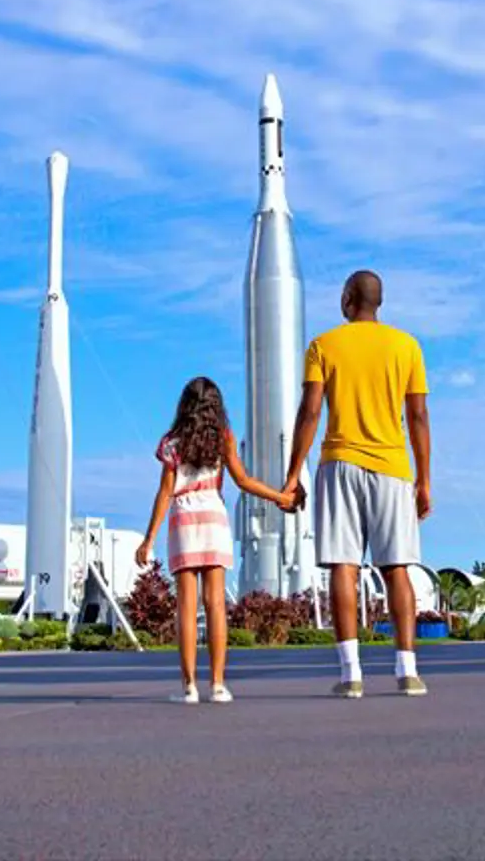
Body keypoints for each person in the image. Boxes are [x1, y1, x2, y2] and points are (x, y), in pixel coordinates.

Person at [280, 269, 431, 699]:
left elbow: (309, 413)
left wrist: (293, 474)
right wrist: (424, 480)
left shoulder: (323, 345)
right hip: (393, 466)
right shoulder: (407, 346)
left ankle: (351, 675)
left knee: (343, 567)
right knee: (397, 567)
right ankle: (408, 671)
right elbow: (418, 416)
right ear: (378, 302)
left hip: (340, 462)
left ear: (348, 298)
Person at [136, 376, 294, 704]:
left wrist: (148, 539)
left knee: (186, 606)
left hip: (184, 520)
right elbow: (243, 480)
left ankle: (189, 686)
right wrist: (278, 496)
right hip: (214, 518)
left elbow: (165, 492)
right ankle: (218, 685)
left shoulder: (171, 443)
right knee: (216, 604)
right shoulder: (223, 439)